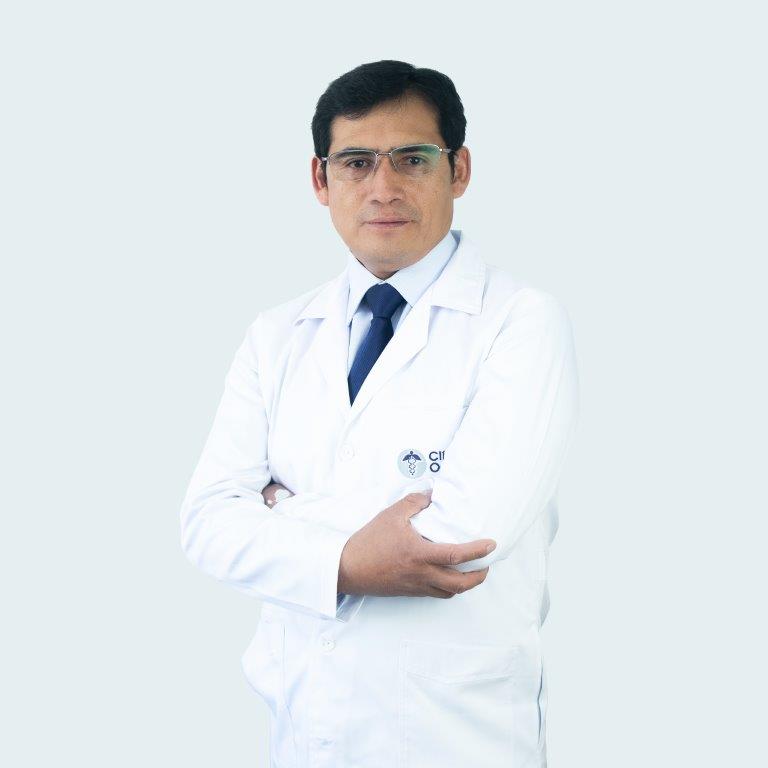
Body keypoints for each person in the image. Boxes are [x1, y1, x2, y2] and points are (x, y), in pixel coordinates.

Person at [180, 59, 580, 768]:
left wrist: (283, 517)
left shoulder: (520, 321)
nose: (383, 187)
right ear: (321, 179)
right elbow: (207, 525)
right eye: (357, 162)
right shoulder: (276, 335)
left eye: (412, 159)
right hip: (303, 734)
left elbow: (464, 537)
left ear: (459, 170)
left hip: (458, 740)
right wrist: (350, 556)